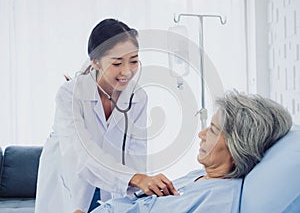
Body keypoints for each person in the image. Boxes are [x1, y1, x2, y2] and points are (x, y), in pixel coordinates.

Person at [35, 19, 177, 213]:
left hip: (111, 183)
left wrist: (138, 194)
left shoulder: (138, 97)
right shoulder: (70, 94)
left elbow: (136, 155)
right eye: (117, 63)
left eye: (134, 61)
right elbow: (80, 153)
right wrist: (134, 178)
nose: (127, 71)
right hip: (69, 181)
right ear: (95, 62)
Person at [90, 91, 292, 213]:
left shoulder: (218, 200)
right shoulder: (200, 176)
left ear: (237, 147)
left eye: (212, 130)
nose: (201, 134)